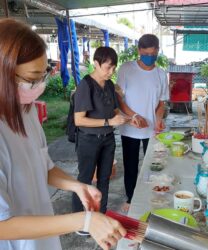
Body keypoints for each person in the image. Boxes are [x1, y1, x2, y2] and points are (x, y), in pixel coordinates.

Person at [0, 19, 126, 250]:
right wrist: (83, 220)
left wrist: (77, 186)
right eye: (31, 79)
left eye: (43, 75)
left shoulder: (25, 112)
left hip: (42, 241)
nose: (39, 85)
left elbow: (44, 168)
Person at [72, 47, 130, 220]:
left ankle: (101, 214)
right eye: (107, 68)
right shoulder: (86, 85)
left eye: (114, 68)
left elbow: (114, 112)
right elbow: (79, 120)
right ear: (96, 64)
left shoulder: (110, 85)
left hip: (107, 139)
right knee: (84, 179)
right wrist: (108, 122)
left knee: (104, 178)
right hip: (88, 140)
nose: (111, 72)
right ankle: (78, 219)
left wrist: (128, 118)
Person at [116, 34, 169, 211]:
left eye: (153, 53)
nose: (150, 57)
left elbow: (162, 102)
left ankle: (151, 197)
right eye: (146, 53)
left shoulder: (161, 74)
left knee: (153, 165)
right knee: (130, 165)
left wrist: (159, 119)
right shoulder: (126, 69)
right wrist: (134, 116)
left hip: (151, 130)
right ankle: (131, 198)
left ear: (158, 51)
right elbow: (119, 97)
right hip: (130, 127)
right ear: (139, 51)